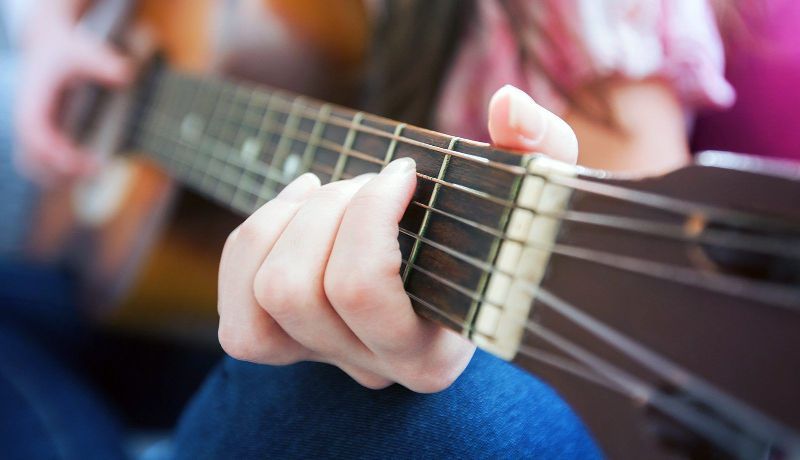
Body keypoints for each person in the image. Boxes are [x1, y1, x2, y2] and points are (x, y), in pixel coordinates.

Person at [5, 0, 736, 458]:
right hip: (196, 293)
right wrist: (54, 32)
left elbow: (625, 353)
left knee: (378, 404)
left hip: (415, 379)